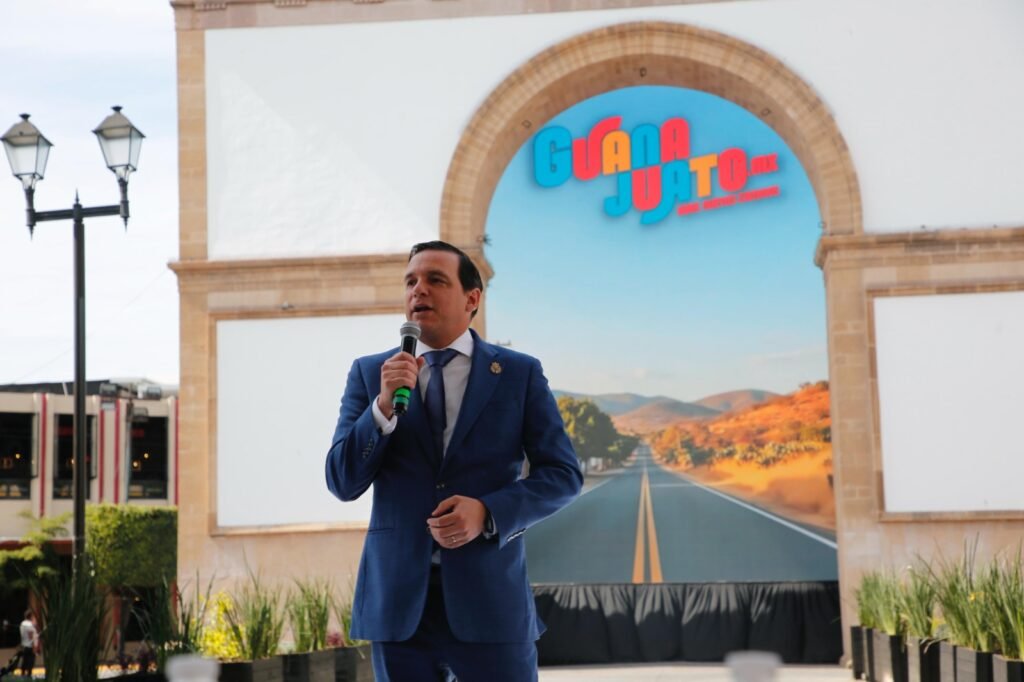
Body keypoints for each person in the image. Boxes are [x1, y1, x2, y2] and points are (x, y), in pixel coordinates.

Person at [326, 240, 582, 682]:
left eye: (435, 280)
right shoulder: (371, 374)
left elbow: (563, 475)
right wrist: (381, 409)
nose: (418, 290)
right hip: (398, 608)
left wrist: (488, 512)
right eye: (410, 281)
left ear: (471, 299)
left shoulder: (518, 374)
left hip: (491, 603)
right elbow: (342, 481)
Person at [18, 610, 38, 679]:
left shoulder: (22, 623)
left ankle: (23, 675)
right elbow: (30, 635)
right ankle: (28, 676)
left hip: (25, 645)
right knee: (30, 662)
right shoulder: (29, 624)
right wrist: (34, 646)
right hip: (30, 646)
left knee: (25, 662)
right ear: (31, 616)